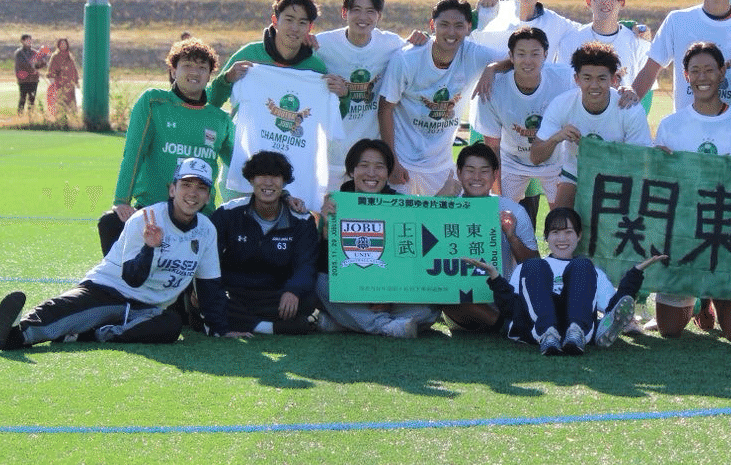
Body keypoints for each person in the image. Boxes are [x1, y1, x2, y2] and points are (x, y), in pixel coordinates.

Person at [0, 158, 245, 352]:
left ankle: (92, 335)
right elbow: (132, 278)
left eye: (201, 187)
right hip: (109, 290)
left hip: (147, 309)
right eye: (186, 184)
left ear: (209, 195)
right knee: (68, 310)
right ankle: (16, 335)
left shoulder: (205, 230)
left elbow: (209, 284)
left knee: (171, 326)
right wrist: (150, 247)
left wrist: (220, 329)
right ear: (172, 189)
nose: (193, 193)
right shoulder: (146, 219)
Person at [651, 42, 731, 341]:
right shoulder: (671, 125)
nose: (703, 77)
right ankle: (700, 301)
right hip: (684, 238)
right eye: (695, 71)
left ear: (722, 72)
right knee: (670, 330)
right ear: (685, 76)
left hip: (728, 239)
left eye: (709, 70)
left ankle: (713, 295)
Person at [208, 0, 349, 205]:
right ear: (275, 20)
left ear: (310, 28)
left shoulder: (315, 68)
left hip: (292, 178)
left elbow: (332, 117)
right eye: (289, 19)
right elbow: (213, 101)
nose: (294, 28)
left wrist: (343, 96)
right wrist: (226, 79)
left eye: (302, 22)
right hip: (246, 167)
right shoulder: (250, 56)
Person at [467, 207, 667, 355]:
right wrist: (495, 278)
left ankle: (577, 332)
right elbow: (512, 309)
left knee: (582, 265)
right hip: (535, 329)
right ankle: (548, 333)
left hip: (576, 326)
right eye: (555, 232)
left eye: (568, 232)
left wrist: (635, 274)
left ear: (579, 236)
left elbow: (615, 310)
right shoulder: (528, 270)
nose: (562, 238)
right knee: (534, 265)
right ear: (546, 237)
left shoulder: (590, 272)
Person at [99, 38, 234, 256]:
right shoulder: (154, 102)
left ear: (209, 76)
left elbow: (239, 165)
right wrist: (122, 200)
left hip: (199, 214)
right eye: (187, 65)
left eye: (202, 68)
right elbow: (134, 153)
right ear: (173, 70)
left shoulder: (220, 119)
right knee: (110, 223)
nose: (195, 72)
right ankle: (119, 288)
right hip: (153, 209)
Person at [314, 139, 441, 337]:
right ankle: (385, 326)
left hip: (392, 295)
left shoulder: (401, 204)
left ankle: (345, 323)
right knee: (321, 283)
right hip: (349, 292)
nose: (371, 174)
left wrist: (389, 296)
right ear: (351, 171)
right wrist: (326, 229)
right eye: (364, 166)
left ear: (388, 173)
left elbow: (413, 260)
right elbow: (325, 264)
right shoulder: (335, 203)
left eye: (379, 167)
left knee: (430, 309)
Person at [379, 0, 501, 196]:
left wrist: (493, 68)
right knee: (402, 224)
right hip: (403, 162)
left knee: (441, 225)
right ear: (432, 25)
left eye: (458, 26)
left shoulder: (474, 54)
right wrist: (392, 161)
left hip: (440, 165)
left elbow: (515, 58)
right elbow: (385, 108)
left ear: (469, 27)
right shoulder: (407, 59)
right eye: (444, 24)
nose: (451, 32)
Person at [532, 41, 653, 208]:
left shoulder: (629, 108)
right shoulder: (562, 104)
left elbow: (641, 162)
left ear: (613, 79)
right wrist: (556, 138)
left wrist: (599, 152)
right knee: (559, 223)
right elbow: (536, 157)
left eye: (601, 78)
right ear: (576, 79)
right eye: (587, 78)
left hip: (618, 176)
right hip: (576, 173)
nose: (594, 85)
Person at [211, 151, 320, 335]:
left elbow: (306, 265)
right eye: (262, 176)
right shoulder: (228, 213)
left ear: (284, 182)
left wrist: (293, 290)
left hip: (276, 294)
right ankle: (268, 327)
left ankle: (244, 323)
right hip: (235, 292)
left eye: (275, 176)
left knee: (309, 298)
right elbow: (208, 255)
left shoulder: (301, 220)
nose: (268, 183)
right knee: (206, 297)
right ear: (251, 180)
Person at [438, 143, 541, 331]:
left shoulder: (513, 211)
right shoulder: (446, 206)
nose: (477, 177)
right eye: (470, 170)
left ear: (495, 175)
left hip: (503, 297)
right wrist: (439, 200)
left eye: (484, 171)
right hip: (463, 307)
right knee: (447, 294)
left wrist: (512, 237)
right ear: (459, 173)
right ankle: (506, 326)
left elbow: (534, 265)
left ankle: (506, 322)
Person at [471, 27, 574, 207]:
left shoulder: (565, 78)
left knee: (563, 219)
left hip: (555, 159)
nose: (528, 61)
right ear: (511, 56)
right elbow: (492, 147)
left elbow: (592, 86)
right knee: (502, 216)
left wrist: (621, 88)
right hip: (512, 160)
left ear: (546, 55)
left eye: (535, 54)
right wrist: (499, 198)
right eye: (521, 54)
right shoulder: (493, 88)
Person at [314, 0, 409, 170]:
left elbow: (425, 52)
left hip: (370, 157)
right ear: (344, 12)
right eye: (356, 10)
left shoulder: (392, 44)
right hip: (330, 156)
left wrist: (420, 38)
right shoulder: (321, 44)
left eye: (370, 11)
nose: (363, 17)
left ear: (379, 16)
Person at [551, 0, 651, 92]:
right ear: (588, 1)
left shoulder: (638, 42)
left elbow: (646, 91)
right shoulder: (570, 41)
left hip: (623, 110)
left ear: (622, 2)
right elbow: (562, 87)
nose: (606, 1)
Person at [13, 34, 48, 114]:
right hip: (23, 79)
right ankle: (20, 116)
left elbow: (40, 65)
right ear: (22, 41)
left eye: (30, 40)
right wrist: (31, 66)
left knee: (32, 99)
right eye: (27, 40)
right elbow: (20, 65)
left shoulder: (35, 52)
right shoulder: (19, 53)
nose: (29, 42)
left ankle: (30, 117)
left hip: (33, 79)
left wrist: (42, 63)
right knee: (22, 98)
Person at [45, 37, 79, 117]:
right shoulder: (55, 57)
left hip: (70, 85)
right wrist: (52, 82)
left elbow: (74, 69)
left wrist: (76, 81)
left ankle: (73, 120)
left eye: (65, 44)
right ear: (58, 45)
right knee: (61, 103)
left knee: (71, 104)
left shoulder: (69, 57)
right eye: (61, 44)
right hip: (60, 85)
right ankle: (60, 120)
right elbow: (51, 71)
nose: (63, 46)